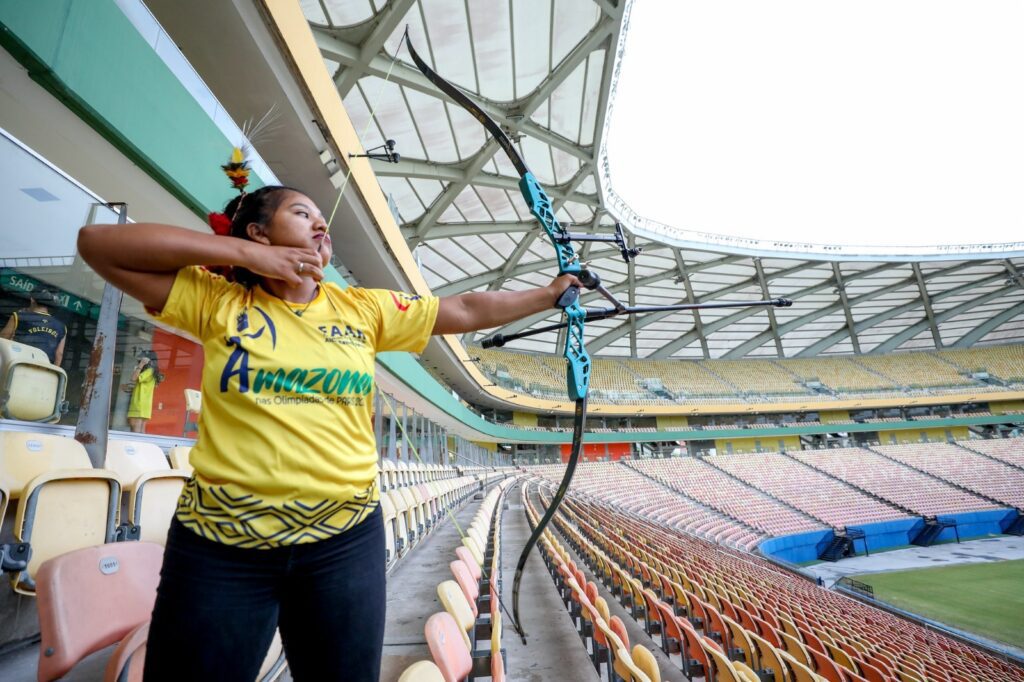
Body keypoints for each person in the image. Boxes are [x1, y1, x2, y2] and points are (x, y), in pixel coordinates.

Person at [77, 183, 580, 682]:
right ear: (259, 233)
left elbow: (465, 310)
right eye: (301, 214)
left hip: (342, 545)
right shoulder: (218, 301)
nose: (321, 223)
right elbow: (97, 244)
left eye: (322, 217)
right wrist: (239, 254)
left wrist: (549, 294)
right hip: (223, 550)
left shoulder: (361, 308)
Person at [0, 288, 67, 365]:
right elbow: (59, 354)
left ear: (32, 300)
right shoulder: (61, 327)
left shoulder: (18, 317)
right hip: (44, 369)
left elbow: (2, 340)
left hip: (19, 365)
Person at [126, 351, 163, 433]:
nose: (139, 359)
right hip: (145, 406)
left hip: (139, 404)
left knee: (135, 430)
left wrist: (141, 364)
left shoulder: (149, 371)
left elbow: (133, 378)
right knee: (140, 431)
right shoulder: (153, 372)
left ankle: (135, 445)